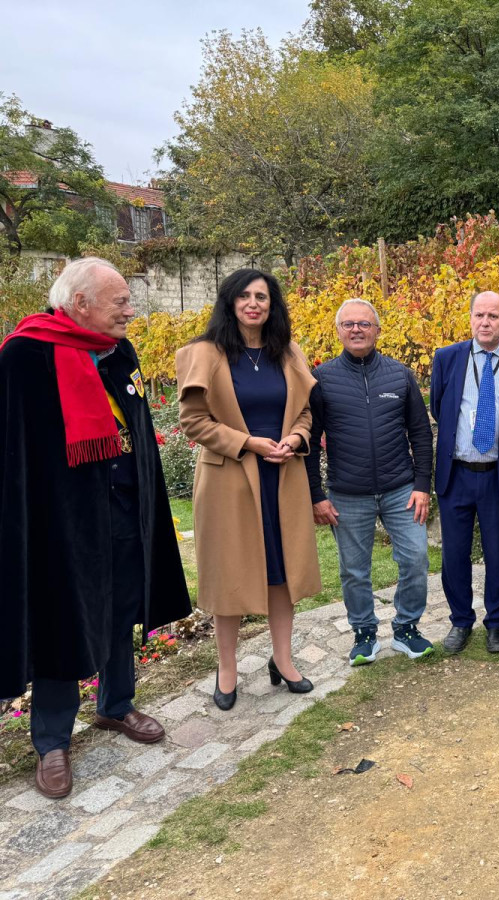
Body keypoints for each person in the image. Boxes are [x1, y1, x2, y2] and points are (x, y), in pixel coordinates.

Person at [0, 257, 191, 798]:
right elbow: (12, 449)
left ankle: (115, 706)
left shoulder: (118, 353)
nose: (132, 310)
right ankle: (53, 740)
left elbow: (137, 425)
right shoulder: (25, 355)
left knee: (122, 608)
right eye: (121, 302)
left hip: (125, 508)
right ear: (79, 304)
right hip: (61, 519)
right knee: (63, 617)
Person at [177, 268, 321, 710]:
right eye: (245, 296)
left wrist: (295, 439)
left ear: (272, 305)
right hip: (229, 480)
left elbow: (304, 413)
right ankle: (227, 670)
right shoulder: (204, 353)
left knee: (283, 573)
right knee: (230, 575)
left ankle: (283, 660)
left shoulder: (288, 353)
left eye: (262, 296)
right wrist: (247, 443)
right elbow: (194, 421)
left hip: (282, 476)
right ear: (230, 302)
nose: (254, 303)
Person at [306, 298, 435, 666]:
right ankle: (363, 633)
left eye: (364, 324)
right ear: (339, 331)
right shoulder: (322, 379)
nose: (357, 330)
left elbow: (421, 433)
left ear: (377, 330)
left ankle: (407, 628)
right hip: (348, 495)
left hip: (401, 490)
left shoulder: (399, 375)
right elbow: (310, 443)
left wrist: (422, 484)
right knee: (353, 569)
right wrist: (316, 495)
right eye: (349, 324)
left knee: (415, 558)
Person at [430, 291, 499, 654]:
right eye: (479, 315)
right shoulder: (447, 359)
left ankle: (496, 624)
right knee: (454, 555)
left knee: (495, 553)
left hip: (497, 476)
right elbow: (438, 406)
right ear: (470, 318)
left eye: (493, 316)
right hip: (456, 473)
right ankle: (460, 621)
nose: (485, 322)